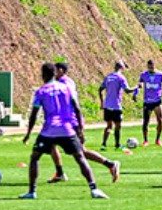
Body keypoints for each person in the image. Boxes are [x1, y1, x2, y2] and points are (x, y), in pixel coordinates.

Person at [19, 62, 110, 200]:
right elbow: (77, 108)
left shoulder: (41, 91)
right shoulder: (66, 88)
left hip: (49, 131)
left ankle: (32, 191)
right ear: (55, 73)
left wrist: (28, 133)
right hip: (67, 129)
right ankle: (94, 189)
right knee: (80, 157)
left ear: (43, 75)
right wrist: (81, 129)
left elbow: (34, 114)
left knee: (35, 158)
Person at [46, 62, 120, 184]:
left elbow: (74, 104)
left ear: (62, 70)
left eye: (56, 70)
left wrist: (80, 127)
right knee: (51, 144)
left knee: (80, 152)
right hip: (63, 122)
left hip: (71, 122)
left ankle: (110, 164)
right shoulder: (60, 82)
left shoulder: (65, 83)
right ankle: (59, 173)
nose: (54, 72)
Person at [98, 60, 136, 150]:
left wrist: (102, 102)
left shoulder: (108, 77)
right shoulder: (121, 77)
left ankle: (103, 144)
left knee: (109, 126)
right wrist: (136, 87)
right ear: (122, 68)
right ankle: (117, 145)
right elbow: (127, 90)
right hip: (116, 106)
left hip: (107, 105)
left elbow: (100, 89)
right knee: (118, 126)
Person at [138, 59, 162, 146]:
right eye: (149, 66)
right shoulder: (144, 74)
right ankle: (145, 141)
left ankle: (158, 140)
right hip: (147, 101)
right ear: (147, 66)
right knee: (146, 121)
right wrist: (136, 92)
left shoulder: (160, 74)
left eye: (152, 66)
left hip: (157, 101)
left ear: (155, 65)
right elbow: (139, 84)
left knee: (160, 120)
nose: (151, 67)